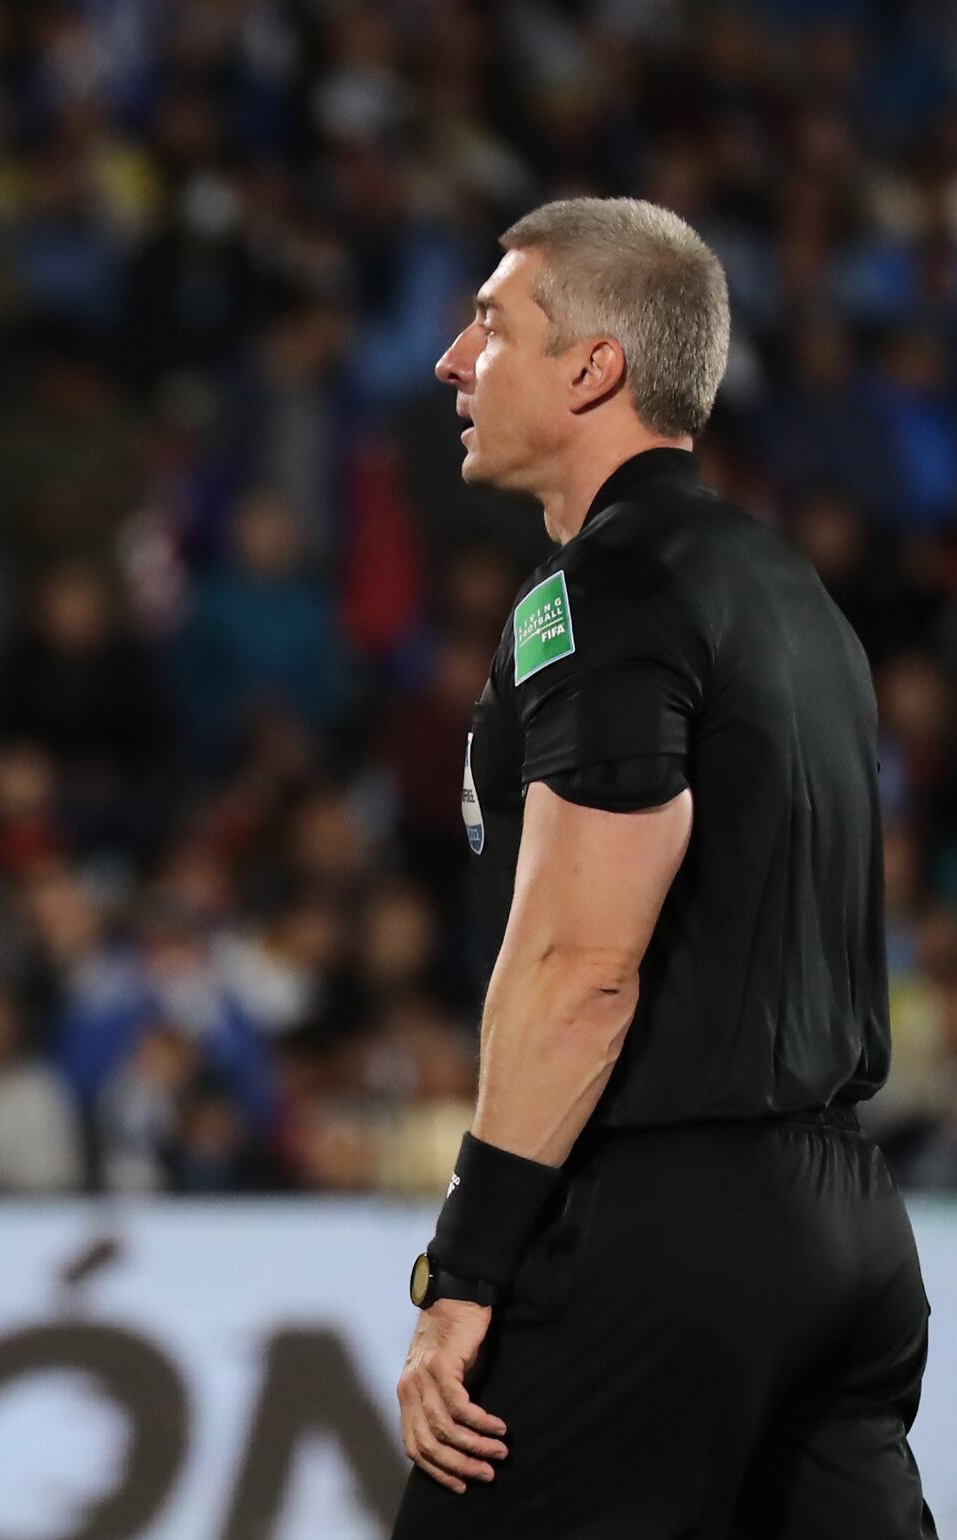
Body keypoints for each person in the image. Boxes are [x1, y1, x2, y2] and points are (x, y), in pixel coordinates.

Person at [395, 197, 936, 1537]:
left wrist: (462, 1272)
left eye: (489, 326)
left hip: (664, 1227)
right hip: (845, 1231)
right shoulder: (791, 594)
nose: (449, 364)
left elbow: (582, 968)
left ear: (592, 368)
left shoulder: (605, 594)